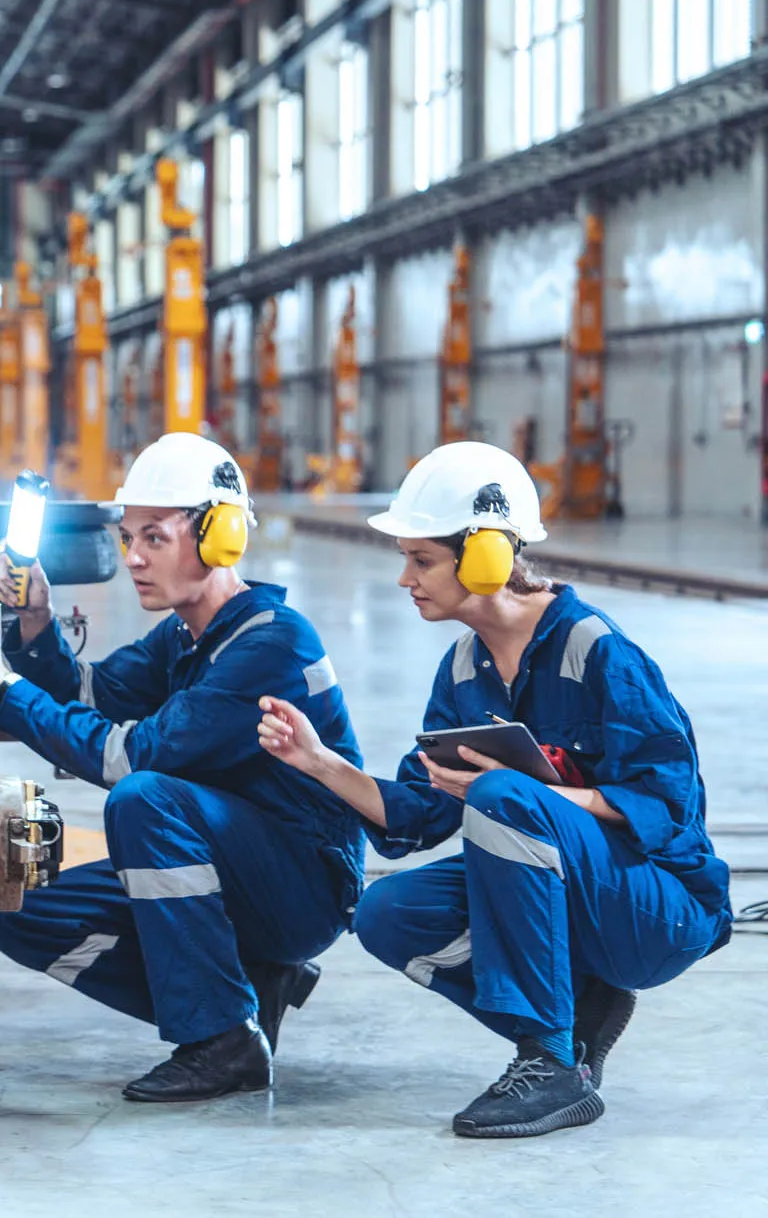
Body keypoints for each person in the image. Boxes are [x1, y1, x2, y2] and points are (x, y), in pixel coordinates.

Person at [255, 442, 730, 1138]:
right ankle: (577, 1018)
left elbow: (668, 807)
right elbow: (416, 814)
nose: (404, 579)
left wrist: (528, 793)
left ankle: (547, 1063)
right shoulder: (464, 670)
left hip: (661, 912)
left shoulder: (595, 650)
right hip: (584, 909)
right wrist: (320, 761)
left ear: (485, 556)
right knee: (388, 911)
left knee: (504, 800)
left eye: (421, 560)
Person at [0, 433, 368, 1102]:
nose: (132, 558)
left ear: (219, 537)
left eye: (153, 537)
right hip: (233, 867)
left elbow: (130, 757)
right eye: (129, 537)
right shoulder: (185, 637)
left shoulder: (272, 642)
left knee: (143, 797)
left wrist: (8, 693)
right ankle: (243, 995)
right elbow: (87, 695)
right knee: (26, 917)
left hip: (302, 883)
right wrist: (36, 620)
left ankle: (221, 1042)